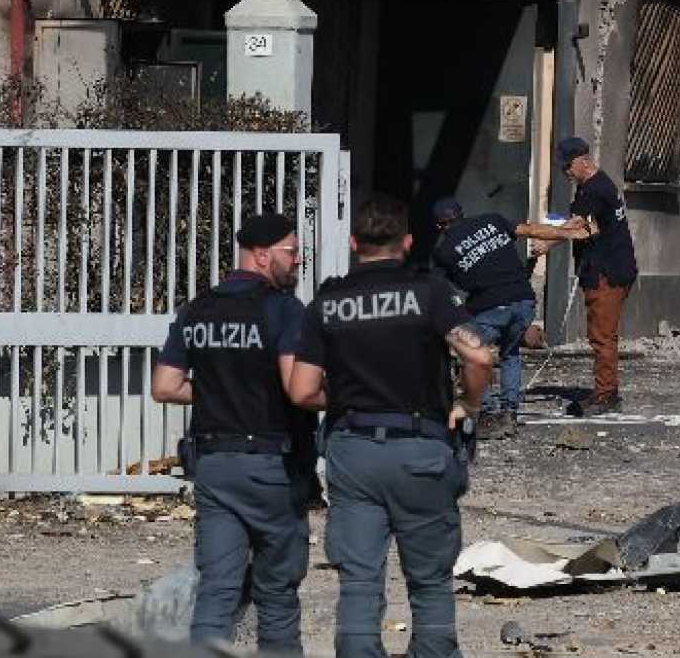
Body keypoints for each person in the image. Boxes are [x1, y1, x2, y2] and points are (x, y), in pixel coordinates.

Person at [286, 193, 496, 658]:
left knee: (359, 579)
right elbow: (479, 356)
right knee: (430, 579)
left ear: (354, 243)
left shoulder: (329, 301)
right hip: (421, 447)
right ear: (407, 241)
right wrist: (467, 403)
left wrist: (345, 398)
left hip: (354, 449)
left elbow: (301, 391)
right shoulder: (429, 292)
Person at [151, 212, 317, 652]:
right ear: (262, 255)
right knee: (277, 590)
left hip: (214, 466)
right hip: (271, 466)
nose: (298, 260)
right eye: (292, 251)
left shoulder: (197, 308)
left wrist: (216, 391)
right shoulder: (283, 309)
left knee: (217, 589)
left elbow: (164, 386)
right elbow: (295, 388)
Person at [518, 137, 638, 416]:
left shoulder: (594, 190)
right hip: (609, 268)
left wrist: (537, 236)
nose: (565, 173)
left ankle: (606, 395)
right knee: (601, 334)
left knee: (602, 336)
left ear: (583, 161)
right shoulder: (596, 185)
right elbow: (590, 229)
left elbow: (576, 226)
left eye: (567, 166)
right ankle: (604, 390)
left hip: (608, 272)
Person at [431, 196, 536, 438]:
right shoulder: (492, 221)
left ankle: (487, 414)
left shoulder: (444, 252)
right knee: (510, 353)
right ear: (462, 213)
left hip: (492, 308)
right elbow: (527, 230)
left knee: (471, 353)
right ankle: (509, 413)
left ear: (439, 226)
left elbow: (438, 288)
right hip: (524, 302)